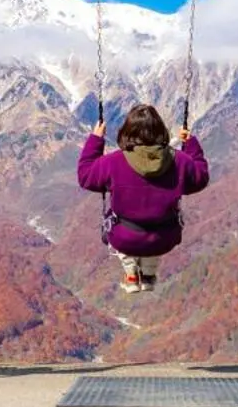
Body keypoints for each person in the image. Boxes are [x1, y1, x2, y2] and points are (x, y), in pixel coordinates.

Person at [76, 103, 209, 293]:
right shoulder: (179, 161)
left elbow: (85, 176)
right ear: (160, 130)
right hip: (164, 238)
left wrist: (96, 139)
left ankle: (131, 272)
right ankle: (148, 274)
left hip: (124, 238)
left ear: (127, 132)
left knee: (118, 222)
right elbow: (201, 177)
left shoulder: (114, 162)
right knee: (155, 224)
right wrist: (191, 145)